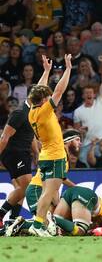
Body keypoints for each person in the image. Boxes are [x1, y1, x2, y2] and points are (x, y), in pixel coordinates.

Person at [26, 53, 73, 237]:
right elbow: (59, 91)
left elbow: (39, 90)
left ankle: (40, 224)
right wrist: (68, 69)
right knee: (48, 194)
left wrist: (46, 71)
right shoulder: (45, 111)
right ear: (45, 100)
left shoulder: (32, 111)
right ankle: (37, 225)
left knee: (47, 192)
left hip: (45, 156)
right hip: (54, 156)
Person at [5, 129, 81, 237]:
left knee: (47, 222)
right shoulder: (60, 154)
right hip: (37, 189)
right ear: (68, 141)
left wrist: (57, 201)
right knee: (44, 221)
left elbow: (58, 180)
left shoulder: (63, 155)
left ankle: (19, 226)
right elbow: (56, 179)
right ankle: (20, 225)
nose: (80, 142)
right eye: (77, 139)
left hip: (43, 189)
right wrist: (75, 188)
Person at [0, 90, 37, 229]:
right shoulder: (19, 113)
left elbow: (31, 135)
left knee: (20, 188)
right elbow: (4, 137)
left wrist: (37, 153)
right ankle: (1, 215)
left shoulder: (33, 114)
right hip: (14, 153)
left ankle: (12, 219)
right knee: (26, 186)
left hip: (23, 153)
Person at [73, 55, 102, 166]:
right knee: (84, 170)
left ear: (94, 94)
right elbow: (76, 133)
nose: (89, 94)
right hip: (86, 145)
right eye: (86, 93)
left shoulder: (101, 102)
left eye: (91, 93)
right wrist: (80, 131)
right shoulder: (78, 111)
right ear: (83, 95)